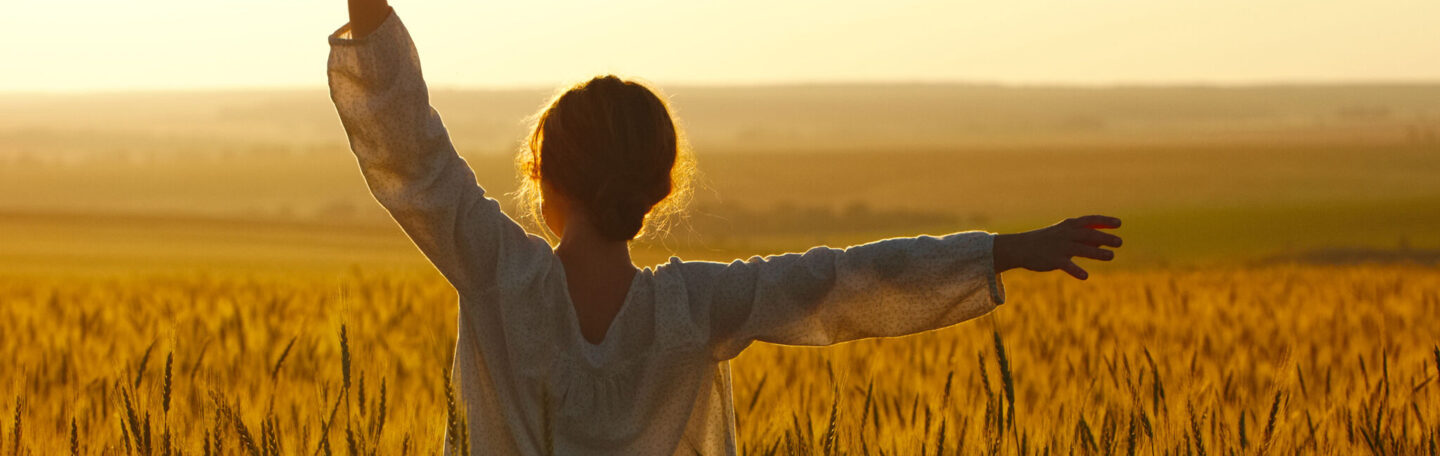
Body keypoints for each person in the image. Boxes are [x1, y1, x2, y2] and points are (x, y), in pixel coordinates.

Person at [328, 1, 1122, 454]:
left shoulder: (500, 276)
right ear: (656, 186)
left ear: (543, 179)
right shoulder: (695, 308)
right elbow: (849, 280)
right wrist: (1004, 251)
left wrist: (368, 10)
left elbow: (413, 153)